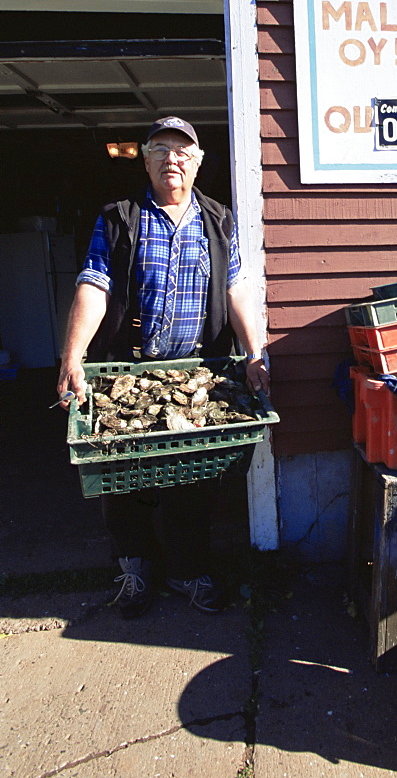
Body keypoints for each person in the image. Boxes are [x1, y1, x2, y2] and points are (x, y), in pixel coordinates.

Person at [57, 116, 269, 619]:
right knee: (122, 477)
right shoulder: (119, 217)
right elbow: (95, 283)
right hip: (127, 374)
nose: (171, 160)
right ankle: (134, 570)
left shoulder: (220, 220)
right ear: (145, 160)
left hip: (198, 374)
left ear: (197, 163)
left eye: (182, 152)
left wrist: (256, 350)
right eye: (160, 151)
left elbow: (237, 288)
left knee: (193, 481)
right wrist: (73, 356)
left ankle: (187, 570)